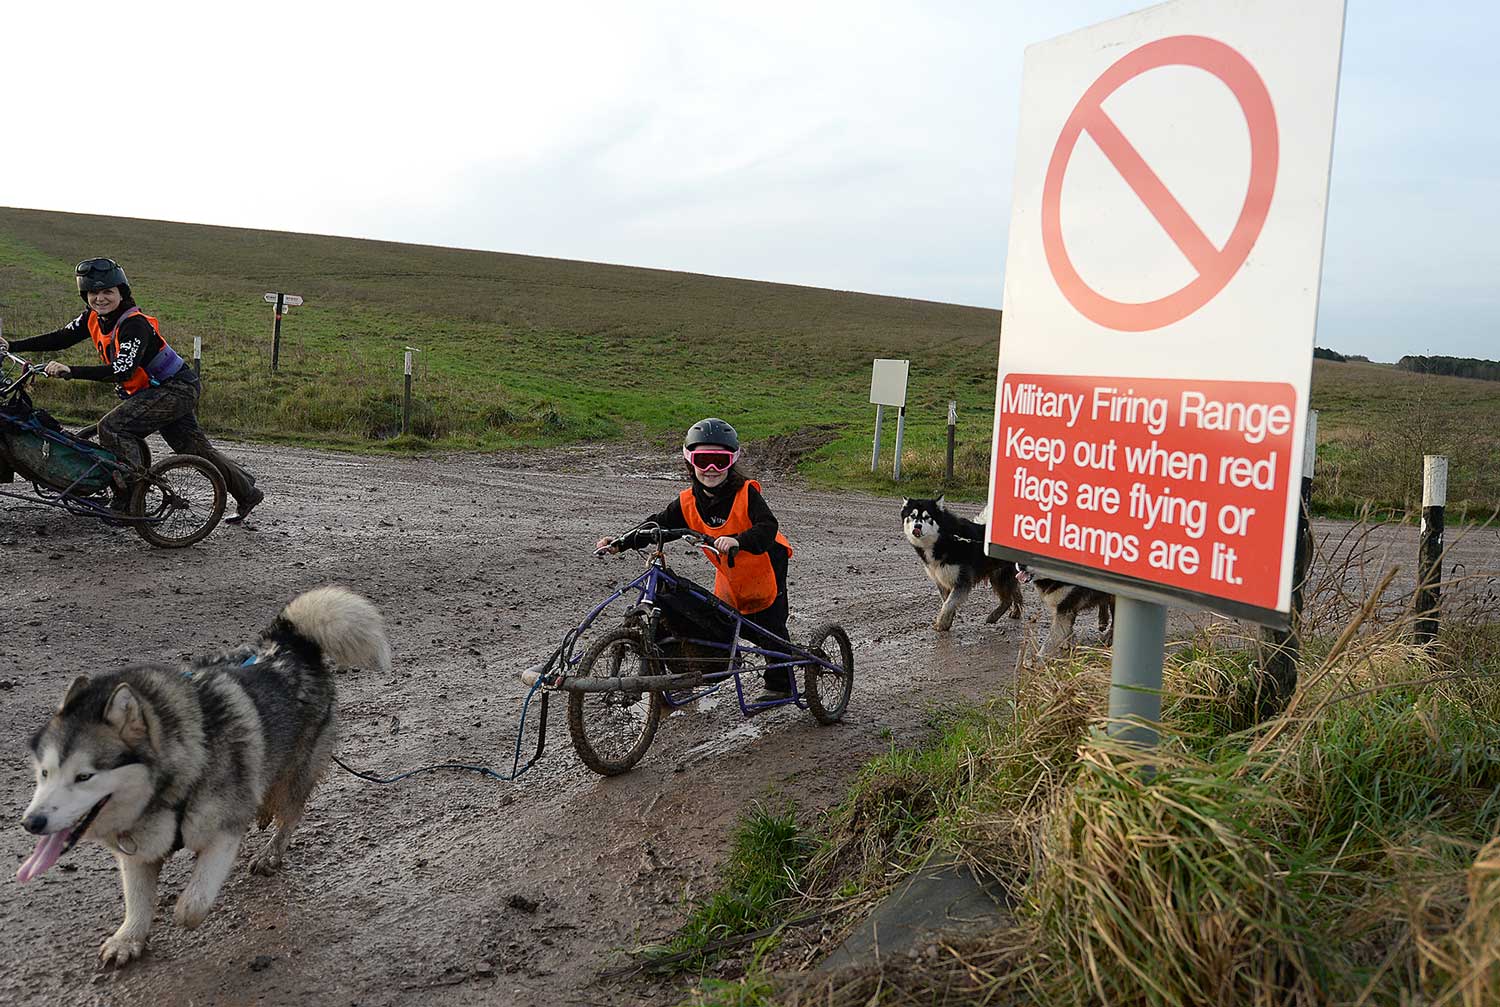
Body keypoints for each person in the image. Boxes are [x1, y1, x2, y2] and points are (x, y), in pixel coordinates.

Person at [0, 257, 263, 521]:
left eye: (107, 292)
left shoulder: (133, 325)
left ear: (121, 292)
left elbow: (122, 369)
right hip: (157, 389)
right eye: (93, 292)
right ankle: (248, 492)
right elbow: (61, 337)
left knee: (113, 427)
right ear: (85, 295)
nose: (100, 298)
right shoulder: (93, 317)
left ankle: (131, 498)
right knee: (196, 449)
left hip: (176, 388)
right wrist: (12, 346)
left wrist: (72, 371)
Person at [597, 418, 795, 699]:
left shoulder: (746, 492)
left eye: (719, 461)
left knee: (768, 626)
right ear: (690, 462)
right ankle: (691, 672)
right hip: (729, 569)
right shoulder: (688, 501)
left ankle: (779, 685)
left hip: (766, 561)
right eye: (703, 461)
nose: (711, 469)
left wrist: (738, 540)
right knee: (725, 621)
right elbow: (658, 525)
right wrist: (621, 542)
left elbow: (767, 527)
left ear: (732, 461)